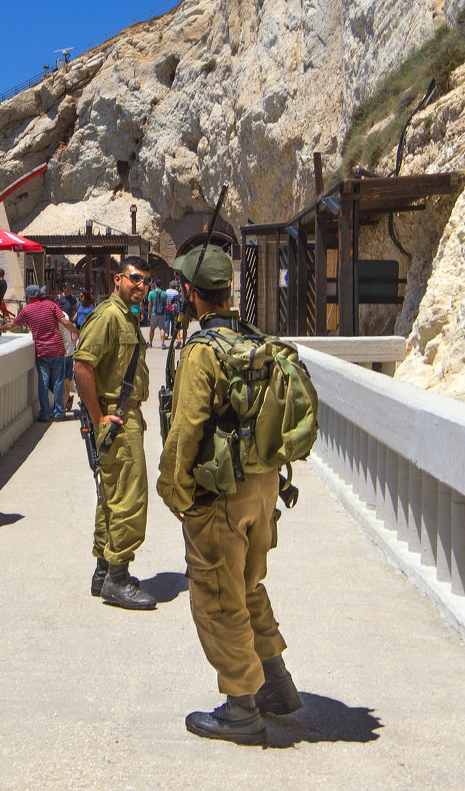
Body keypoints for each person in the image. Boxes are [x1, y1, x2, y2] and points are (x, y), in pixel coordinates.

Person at [157, 244, 301, 746]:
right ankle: (276, 687)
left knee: (218, 598)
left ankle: (242, 707)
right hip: (263, 487)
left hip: (220, 493)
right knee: (248, 586)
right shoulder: (251, 338)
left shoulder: (203, 350)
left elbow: (188, 426)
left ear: (193, 296)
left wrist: (175, 493)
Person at [73, 257, 156, 610]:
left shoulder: (126, 316)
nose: (141, 286)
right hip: (114, 419)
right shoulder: (108, 316)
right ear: (118, 279)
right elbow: (82, 366)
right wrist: (99, 418)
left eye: (146, 281)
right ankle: (118, 579)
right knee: (129, 496)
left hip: (124, 415)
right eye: (135, 278)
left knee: (112, 493)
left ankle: (104, 570)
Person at [0, 284, 79, 422]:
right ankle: (59, 412)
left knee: (43, 383)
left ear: (29, 297)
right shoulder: (51, 305)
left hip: (42, 352)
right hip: (57, 349)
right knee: (58, 382)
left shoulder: (27, 311)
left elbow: (11, 325)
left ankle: (44, 413)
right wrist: (78, 333)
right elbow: (64, 322)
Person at [146, 279, 167, 347]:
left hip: (154, 313)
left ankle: (150, 343)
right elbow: (167, 303)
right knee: (162, 328)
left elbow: (149, 304)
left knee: (152, 328)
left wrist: (148, 313)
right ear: (161, 285)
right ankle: (162, 343)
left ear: (155, 285)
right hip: (162, 313)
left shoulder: (151, 293)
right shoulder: (164, 293)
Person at [163, 281, 180, 349]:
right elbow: (177, 300)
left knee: (167, 320)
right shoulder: (176, 292)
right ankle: (173, 333)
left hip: (167, 307)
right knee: (173, 321)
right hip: (174, 308)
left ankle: (166, 333)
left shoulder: (166, 291)